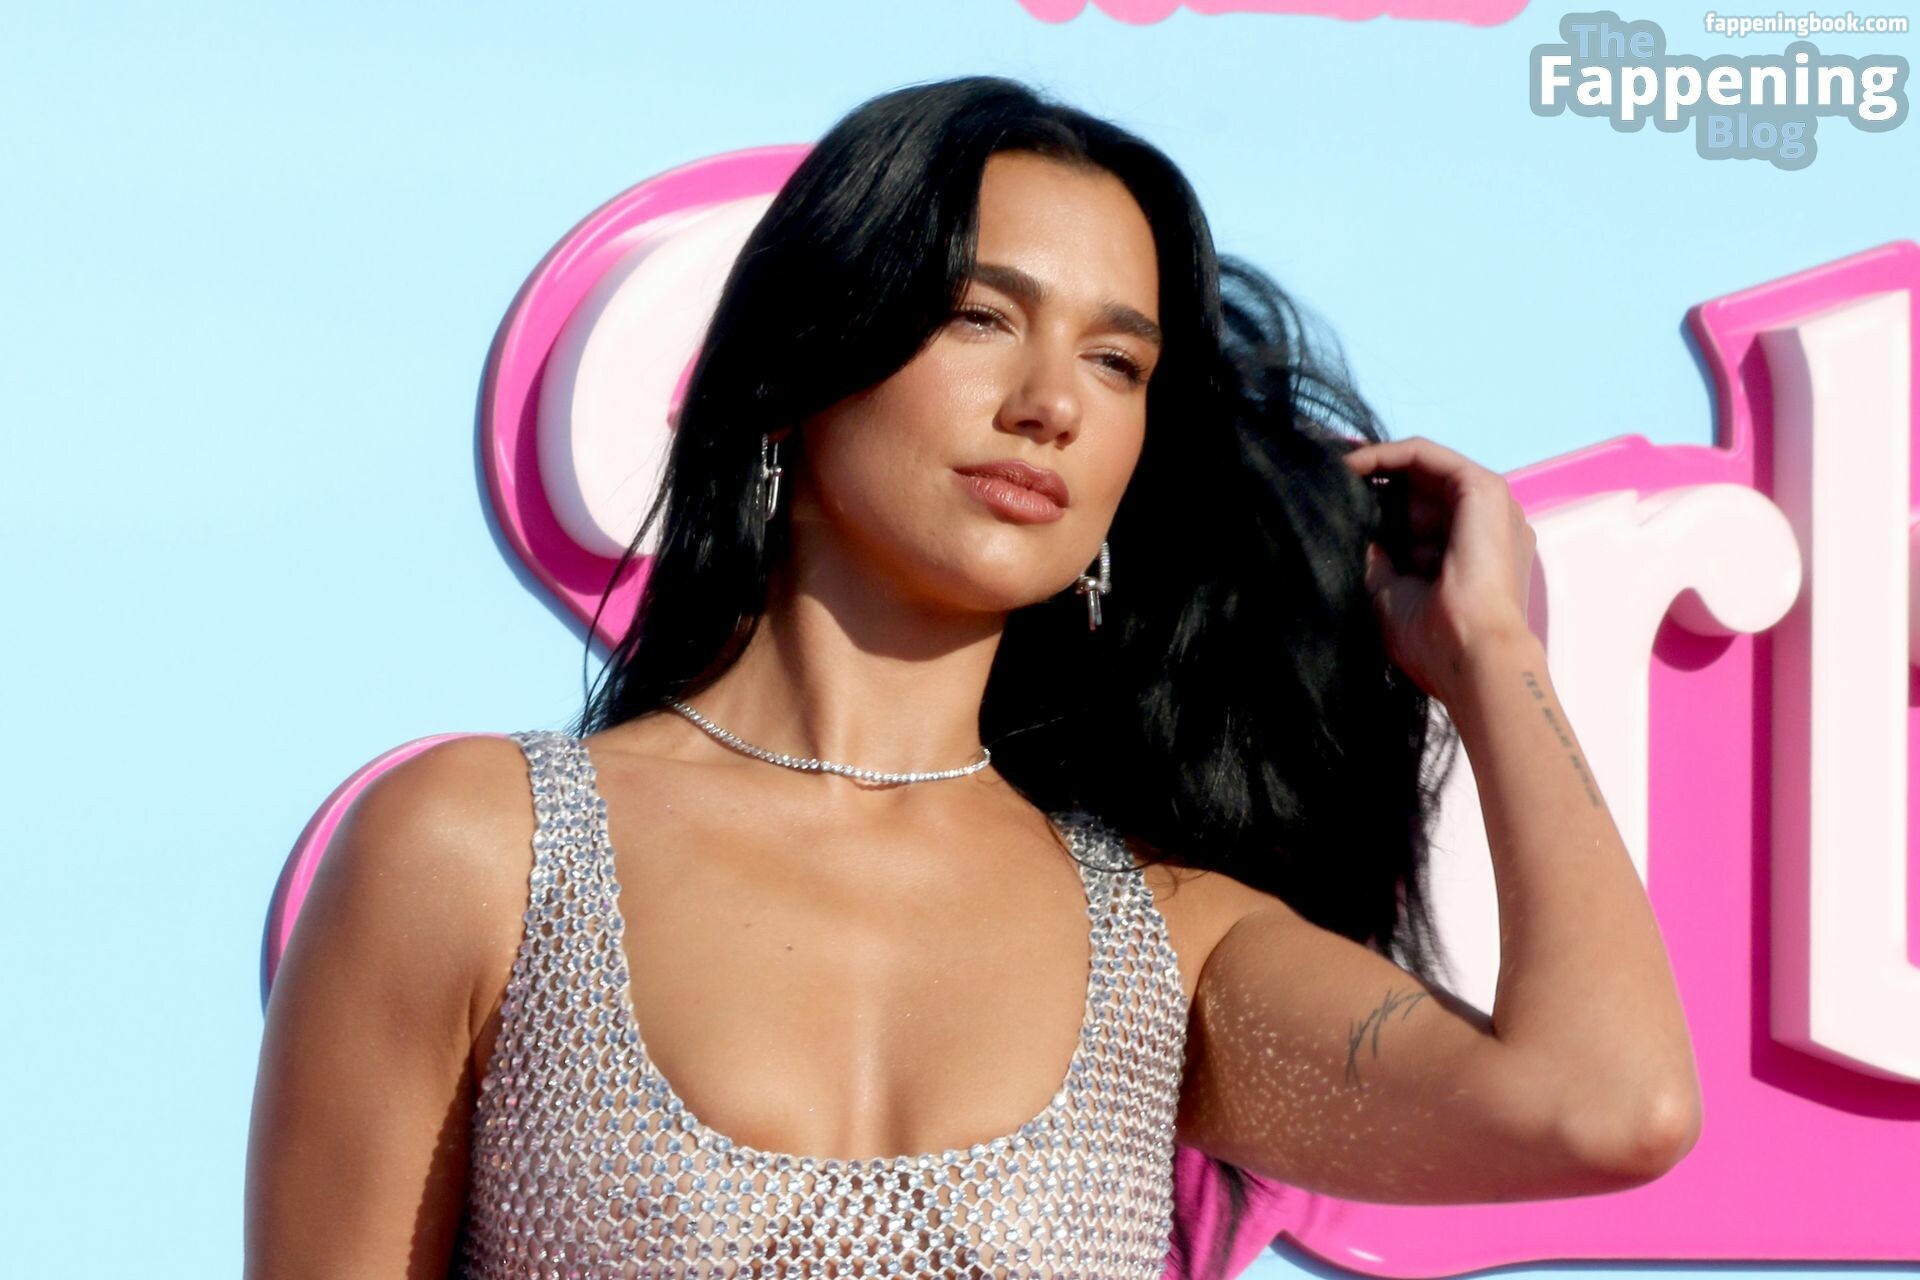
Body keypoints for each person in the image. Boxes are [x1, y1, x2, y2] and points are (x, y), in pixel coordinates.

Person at [244, 75, 1701, 1280]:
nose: (1050, 403)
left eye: (1118, 363)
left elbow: (1607, 1107)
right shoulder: (480, 852)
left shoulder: (1174, 950)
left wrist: (1490, 658)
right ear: (797, 371)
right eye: (979, 317)